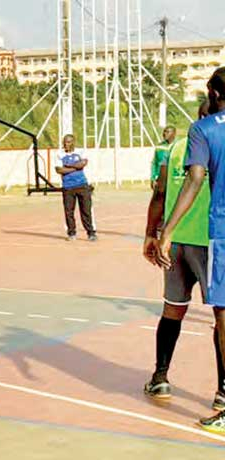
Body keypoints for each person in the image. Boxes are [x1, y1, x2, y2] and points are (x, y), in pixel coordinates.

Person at [143, 102, 224, 409]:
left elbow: (160, 192)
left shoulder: (177, 148)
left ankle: (160, 377)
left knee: (173, 309)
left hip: (176, 242)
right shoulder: (217, 140)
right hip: (211, 242)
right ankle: (222, 392)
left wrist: (153, 233)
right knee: (221, 316)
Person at [55, 134, 96, 241]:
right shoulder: (60, 154)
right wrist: (75, 167)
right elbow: (59, 170)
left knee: (86, 210)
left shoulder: (81, 152)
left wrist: (68, 166)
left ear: (73, 142)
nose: (65, 144)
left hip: (82, 185)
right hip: (68, 187)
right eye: (64, 142)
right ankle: (72, 233)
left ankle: (91, 232)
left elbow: (83, 163)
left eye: (68, 142)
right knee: (69, 211)